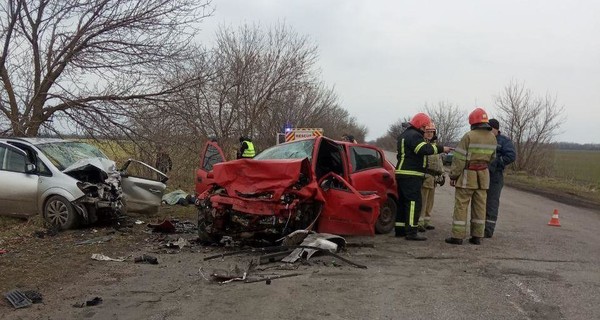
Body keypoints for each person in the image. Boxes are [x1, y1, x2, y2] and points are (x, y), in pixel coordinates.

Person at [395, 113, 451, 241]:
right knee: (414, 203)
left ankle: (400, 229)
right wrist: (442, 148)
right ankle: (411, 232)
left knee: (403, 202)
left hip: (402, 172)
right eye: (425, 127)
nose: (426, 130)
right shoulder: (415, 136)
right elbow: (424, 149)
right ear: (421, 125)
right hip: (411, 174)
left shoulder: (405, 135)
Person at [446, 108, 497, 245]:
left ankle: (457, 236)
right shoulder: (492, 137)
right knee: (480, 206)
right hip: (483, 178)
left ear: (472, 122)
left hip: (467, 177)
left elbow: (459, 159)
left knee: (461, 206)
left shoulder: (468, 136)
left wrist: (453, 175)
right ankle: (477, 236)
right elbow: (493, 158)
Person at [485, 118, 516, 238]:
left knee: (492, 203)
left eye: (490, 129)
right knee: (480, 202)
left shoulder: (504, 141)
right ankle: (478, 228)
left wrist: (497, 163)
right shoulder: (485, 140)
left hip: (495, 176)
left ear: (496, 129)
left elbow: (511, 155)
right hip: (483, 174)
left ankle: (488, 230)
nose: (488, 131)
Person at [418, 122, 445, 232]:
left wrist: (442, 174)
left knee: (430, 202)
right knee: (423, 201)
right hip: (425, 177)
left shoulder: (435, 145)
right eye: (427, 132)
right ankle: (419, 223)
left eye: (431, 132)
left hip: (433, 178)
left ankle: (426, 222)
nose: (429, 134)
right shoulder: (422, 145)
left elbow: (439, 161)